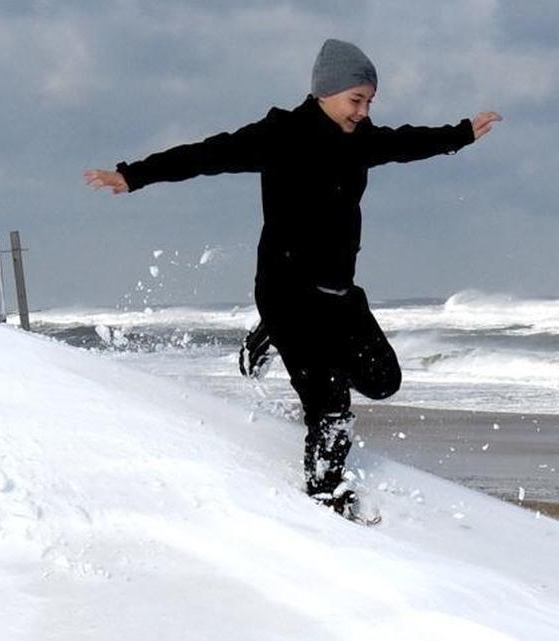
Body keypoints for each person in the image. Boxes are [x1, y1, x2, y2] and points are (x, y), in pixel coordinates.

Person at [85, 39, 500, 520]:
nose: (363, 112)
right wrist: (132, 176)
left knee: (384, 381)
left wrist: (462, 133)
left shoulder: (360, 140)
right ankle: (326, 503)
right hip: (287, 295)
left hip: (339, 295)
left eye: (369, 102)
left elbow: (407, 143)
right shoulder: (280, 134)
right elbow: (205, 155)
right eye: (356, 100)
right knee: (331, 410)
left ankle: (269, 338)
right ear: (327, 91)